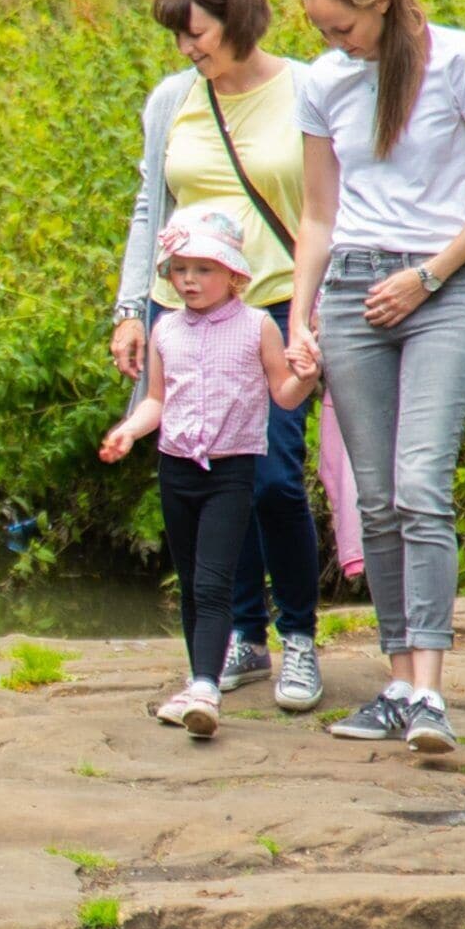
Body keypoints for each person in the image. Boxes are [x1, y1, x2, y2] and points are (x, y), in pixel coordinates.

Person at [286, 0, 465, 756]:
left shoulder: (459, 60)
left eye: (341, 28)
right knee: (379, 498)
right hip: (351, 294)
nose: (333, 45)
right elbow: (318, 214)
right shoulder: (325, 85)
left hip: (445, 292)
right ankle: (396, 684)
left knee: (423, 483)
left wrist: (428, 275)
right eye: (322, 32)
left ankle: (430, 694)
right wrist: (300, 317)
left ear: (379, 1)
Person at [110, 0, 325, 713]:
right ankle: (244, 635)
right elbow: (151, 206)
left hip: (273, 308)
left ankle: (297, 635)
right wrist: (132, 310)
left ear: (238, 19)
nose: (187, 50)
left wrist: (314, 311)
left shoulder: (307, 88)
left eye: (196, 34)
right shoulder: (174, 100)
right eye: (178, 37)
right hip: (185, 312)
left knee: (269, 476)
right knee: (206, 475)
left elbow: (331, 205)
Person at [97, 210, 319, 738]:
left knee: (216, 578)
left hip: (231, 468)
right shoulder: (165, 329)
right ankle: (201, 678)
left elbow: (282, 393)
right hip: (176, 468)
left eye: (204, 269)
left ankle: (205, 688)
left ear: (234, 276)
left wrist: (307, 378)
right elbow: (156, 399)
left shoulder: (257, 325)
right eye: (180, 269)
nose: (190, 280)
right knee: (194, 583)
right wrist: (130, 430)